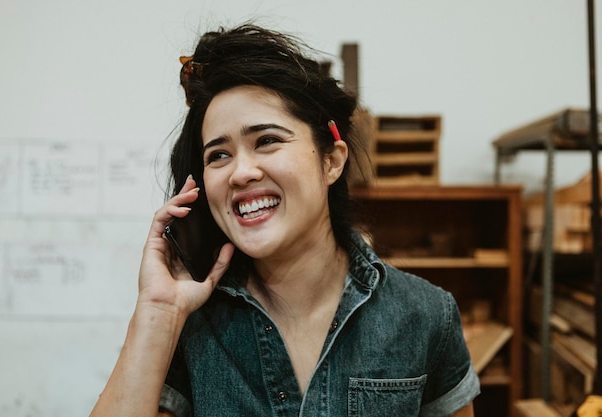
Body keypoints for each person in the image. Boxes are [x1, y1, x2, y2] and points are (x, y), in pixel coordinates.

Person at [90, 24, 479, 417]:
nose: (240, 173)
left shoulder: (425, 316)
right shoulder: (191, 326)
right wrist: (158, 311)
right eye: (218, 155)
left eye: (267, 140)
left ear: (331, 161)